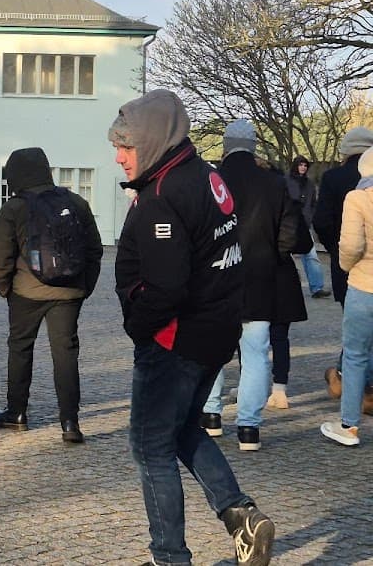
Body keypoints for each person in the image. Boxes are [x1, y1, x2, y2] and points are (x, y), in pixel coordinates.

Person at [109, 90, 274, 566]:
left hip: (176, 341)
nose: (118, 156)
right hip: (216, 332)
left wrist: (139, 327)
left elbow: (166, 287)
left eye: (126, 145)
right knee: (181, 429)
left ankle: (169, 556)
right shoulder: (207, 176)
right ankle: (241, 515)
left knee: (150, 446)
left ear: (154, 142)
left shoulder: (163, 196)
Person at [199, 120, 305, 450]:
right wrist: (272, 255)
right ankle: (248, 428)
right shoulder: (274, 184)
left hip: (215, 278)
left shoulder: (209, 182)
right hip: (260, 278)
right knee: (257, 352)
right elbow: (292, 234)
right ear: (255, 146)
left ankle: (212, 415)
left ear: (225, 146)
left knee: (212, 349)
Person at [0, 147, 102, 443]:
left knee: (20, 348)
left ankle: (17, 413)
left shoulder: (13, 208)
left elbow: (1, 255)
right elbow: (94, 249)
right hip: (68, 292)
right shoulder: (76, 202)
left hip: (26, 290)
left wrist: (5, 288)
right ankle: (69, 422)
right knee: (65, 354)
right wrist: (83, 287)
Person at [313, 126, 373, 399]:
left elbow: (321, 221)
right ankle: (359, 384)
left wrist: (335, 250)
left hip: (346, 264)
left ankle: (343, 377)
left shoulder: (333, 178)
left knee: (354, 329)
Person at [322, 147, 373, 446]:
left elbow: (351, 245)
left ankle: (349, 426)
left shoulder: (358, 198)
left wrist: (345, 267)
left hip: (364, 286)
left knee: (355, 355)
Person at [286, 155, 327, 297]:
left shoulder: (309, 184)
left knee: (311, 256)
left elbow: (313, 203)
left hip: (304, 223)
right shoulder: (286, 181)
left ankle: (316, 287)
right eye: (300, 165)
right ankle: (288, 287)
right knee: (286, 255)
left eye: (305, 165)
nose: (303, 167)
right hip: (289, 223)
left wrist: (310, 216)